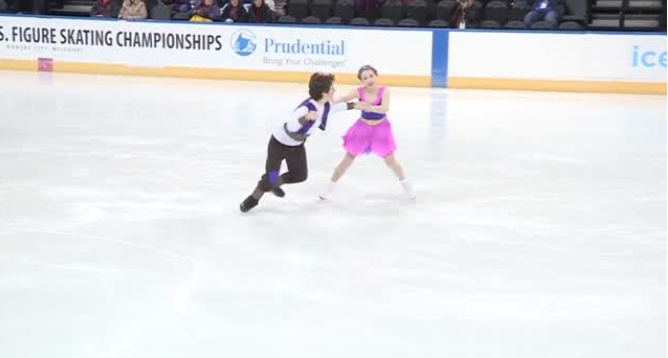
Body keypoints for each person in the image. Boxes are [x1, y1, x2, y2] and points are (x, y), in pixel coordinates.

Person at [240, 73, 360, 213]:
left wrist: (355, 105)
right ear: (324, 92)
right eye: (332, 87)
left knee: (300, 175)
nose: (335, 90)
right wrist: (306, 117)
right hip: (278, 144)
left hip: (296, 147)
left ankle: (273, 183)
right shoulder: (307, 108)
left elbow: (335, 109)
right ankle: (253, 199)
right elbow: (292, 124)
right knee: (270, 178)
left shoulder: (325, 105)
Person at [319, 65, 415, 201]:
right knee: (348, 159)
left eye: (371, 76)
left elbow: (385, 108)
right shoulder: (359, 91)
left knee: (390, 160)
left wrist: (368, 107)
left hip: (381, 129)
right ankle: (328, 188)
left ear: (376, 75)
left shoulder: (384, 91)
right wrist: (330, 101)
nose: (369, 79)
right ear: (361, 81)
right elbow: (345, 98)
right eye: (365, 78)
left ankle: (407, 186)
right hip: (362, 128)